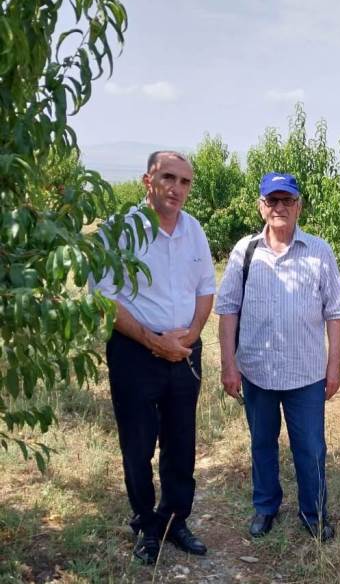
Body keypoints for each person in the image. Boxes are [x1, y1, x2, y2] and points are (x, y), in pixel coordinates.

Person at [91, 151, 215, 563]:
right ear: (148, 181)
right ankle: (145, 524)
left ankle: (175, 520)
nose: (177, 188)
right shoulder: (118, 230)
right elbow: (103, 298)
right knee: (138, 444)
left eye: (185, 182)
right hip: (134, 354)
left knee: (181, 443)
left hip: (184, 353)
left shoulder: (194, 231)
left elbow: (205, 290)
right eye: (168, 178)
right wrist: (150, 339)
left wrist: (192, 336)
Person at [215, 172, 340, 541]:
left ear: (298, 206)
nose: (279, 208)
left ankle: (314, 513)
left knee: (310, 449)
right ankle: (265, 507)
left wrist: (334, 367)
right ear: (261, 206)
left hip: (306, 373)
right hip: (256, 370)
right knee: (262, 443)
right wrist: (229, 365)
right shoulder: (245, 251)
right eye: (271, 201)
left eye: (286, 201)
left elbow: (336, 313)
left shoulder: (319, 251)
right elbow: (228, 311)